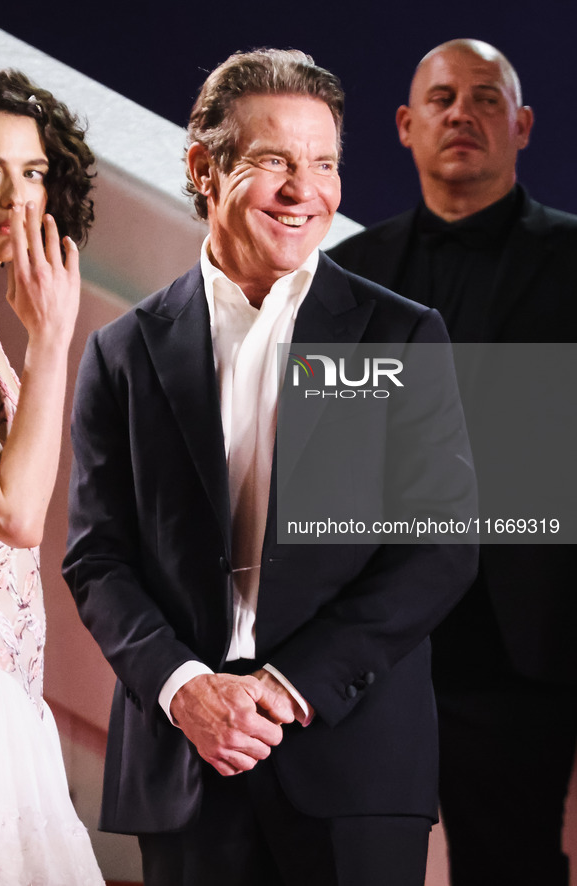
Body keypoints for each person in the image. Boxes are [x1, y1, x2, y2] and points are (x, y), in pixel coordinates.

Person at [63, 48, 477, 886]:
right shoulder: (119, 351)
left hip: (352, 763)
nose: (305, 190)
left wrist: (285, 688)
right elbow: (97, 557)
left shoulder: (401, 334)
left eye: (324, 164)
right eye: (274, 162)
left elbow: (440, 546)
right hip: (184, 767)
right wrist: (185, 689)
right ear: (201, 168)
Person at [328, 38, 577, 886]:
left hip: (522, 646)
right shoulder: (346, 273)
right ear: (405, 124)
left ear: (522, 123)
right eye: (440, 99)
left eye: (484, 97)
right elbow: (325, 457)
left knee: (507, 866)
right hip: (375, 641)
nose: (461, 113)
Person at [0, 70, 104, 885]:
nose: (14, 193)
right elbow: (16, 515)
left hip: (10, 704)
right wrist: (52, 339)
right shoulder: (25, 342)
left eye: (32, 172)